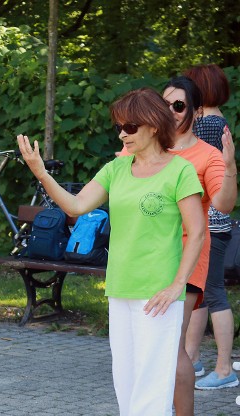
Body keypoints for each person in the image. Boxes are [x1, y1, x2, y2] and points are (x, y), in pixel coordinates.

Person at [19, 88, 206, 415]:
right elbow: (76, 205)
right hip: (120, 287)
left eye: (129, 127)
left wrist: (178, 284)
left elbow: (198, 231)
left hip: (158, 293)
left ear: (152, 125)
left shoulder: (180, 171)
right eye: (119, 127)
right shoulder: (115, 169)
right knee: (126, 381)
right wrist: (42, 173)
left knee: (152, 386)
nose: (122, 133)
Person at [119, 77, 237, 415]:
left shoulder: (206, 155)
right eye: (165, 104)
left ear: (197, 111)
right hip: (143, 258)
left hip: (185, 258)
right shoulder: (147, 147)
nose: (171, 112)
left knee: (172, 346)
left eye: (179, 106)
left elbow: (224, 204)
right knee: (150, 346)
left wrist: (229, 169)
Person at [182, 64, 239, 390]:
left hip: (209, 225)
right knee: (200, 293)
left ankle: (223, 370)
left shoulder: (204, 124)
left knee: (213, 295)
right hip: (214, 224)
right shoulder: (219, 121)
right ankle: (192, 359)